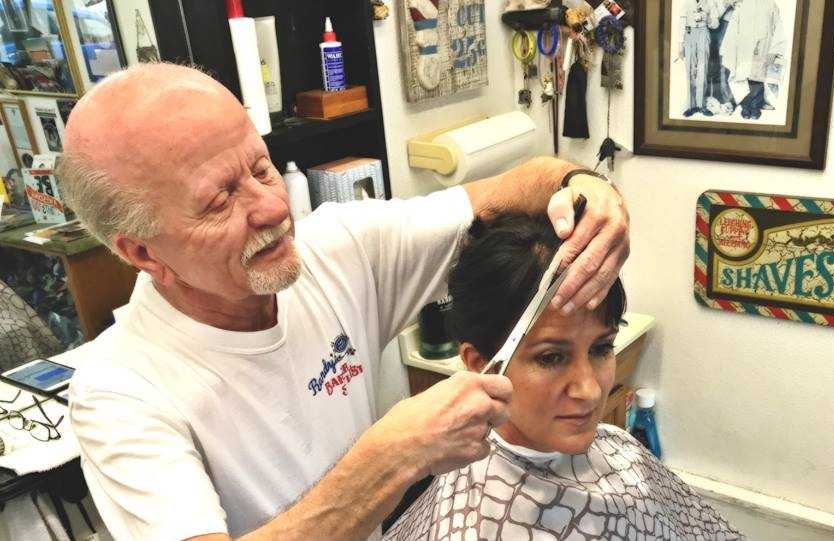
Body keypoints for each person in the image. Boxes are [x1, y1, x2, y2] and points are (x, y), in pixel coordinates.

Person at [56, 63, 630, 540]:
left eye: (261, 169)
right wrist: (390, 459)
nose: (271, 210)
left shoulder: (337, 250)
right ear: (142, 251)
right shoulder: (120, 395)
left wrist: (587, 189)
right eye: (220, 201)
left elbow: (528, 182)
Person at [384, 215, 743, 540]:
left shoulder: (621, 449)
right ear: (481, 364)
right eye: (551, 357)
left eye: (601, 348)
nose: (589, 391)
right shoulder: (465, 524)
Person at [719, 0, 786, 119]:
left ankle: (755, 106)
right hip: (744, 47)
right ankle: (746, 106)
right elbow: (733, 27)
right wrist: (729, 46)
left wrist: (775, 49)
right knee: (743, 77)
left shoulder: (771, 5)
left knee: (758, 76)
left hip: (764, 45)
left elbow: (779, 27)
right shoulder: (742, 4)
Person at [679, 0, 712, 118]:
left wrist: (706, 17)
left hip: (703, 33)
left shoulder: (709, 3)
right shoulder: (687, 3)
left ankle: (701, 105)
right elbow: (682, 22)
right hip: (689, 33)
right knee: (690, 70)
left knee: (703, 70)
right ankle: (690, 106)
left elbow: (715, 23)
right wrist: (680, 44)